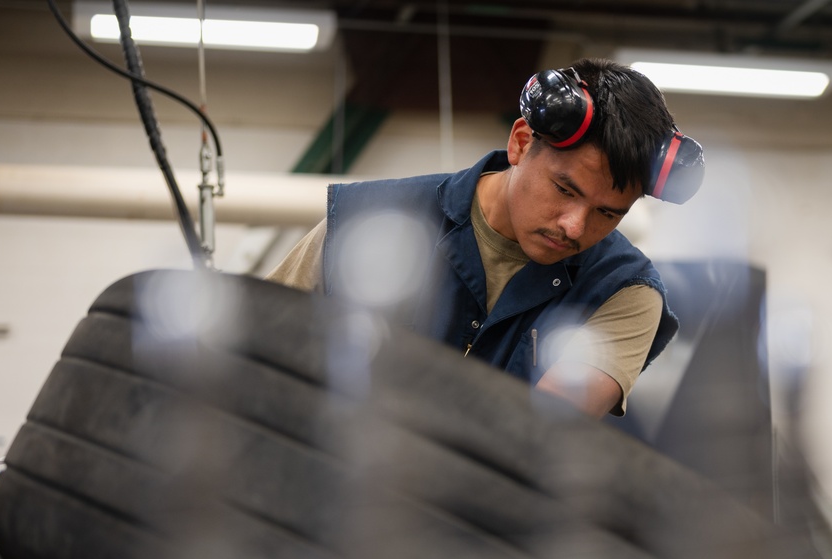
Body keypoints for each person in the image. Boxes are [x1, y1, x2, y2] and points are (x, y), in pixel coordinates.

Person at [266, 58, 704, 419]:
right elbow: (255, 362)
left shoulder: (624, 293)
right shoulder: (366, 224)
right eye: (565, 190)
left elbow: (532, 442)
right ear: (520, 142)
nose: (574, 226)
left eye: (608, 213)